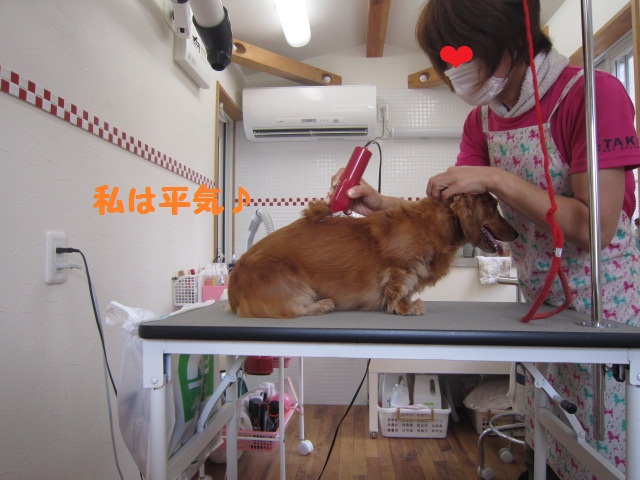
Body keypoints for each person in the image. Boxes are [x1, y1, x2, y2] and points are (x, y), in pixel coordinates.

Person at [327, 0, 640, 478]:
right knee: (549, 439)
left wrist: (495, 178)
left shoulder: (593, 96)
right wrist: (382, 205)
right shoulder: (483, 122)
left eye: (462, 54)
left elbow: (593, 230)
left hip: (608, 307)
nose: (454, 70)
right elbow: (451, 213)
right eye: (445, 60)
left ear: (510, 39)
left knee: (606, 451)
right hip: (540, 304)